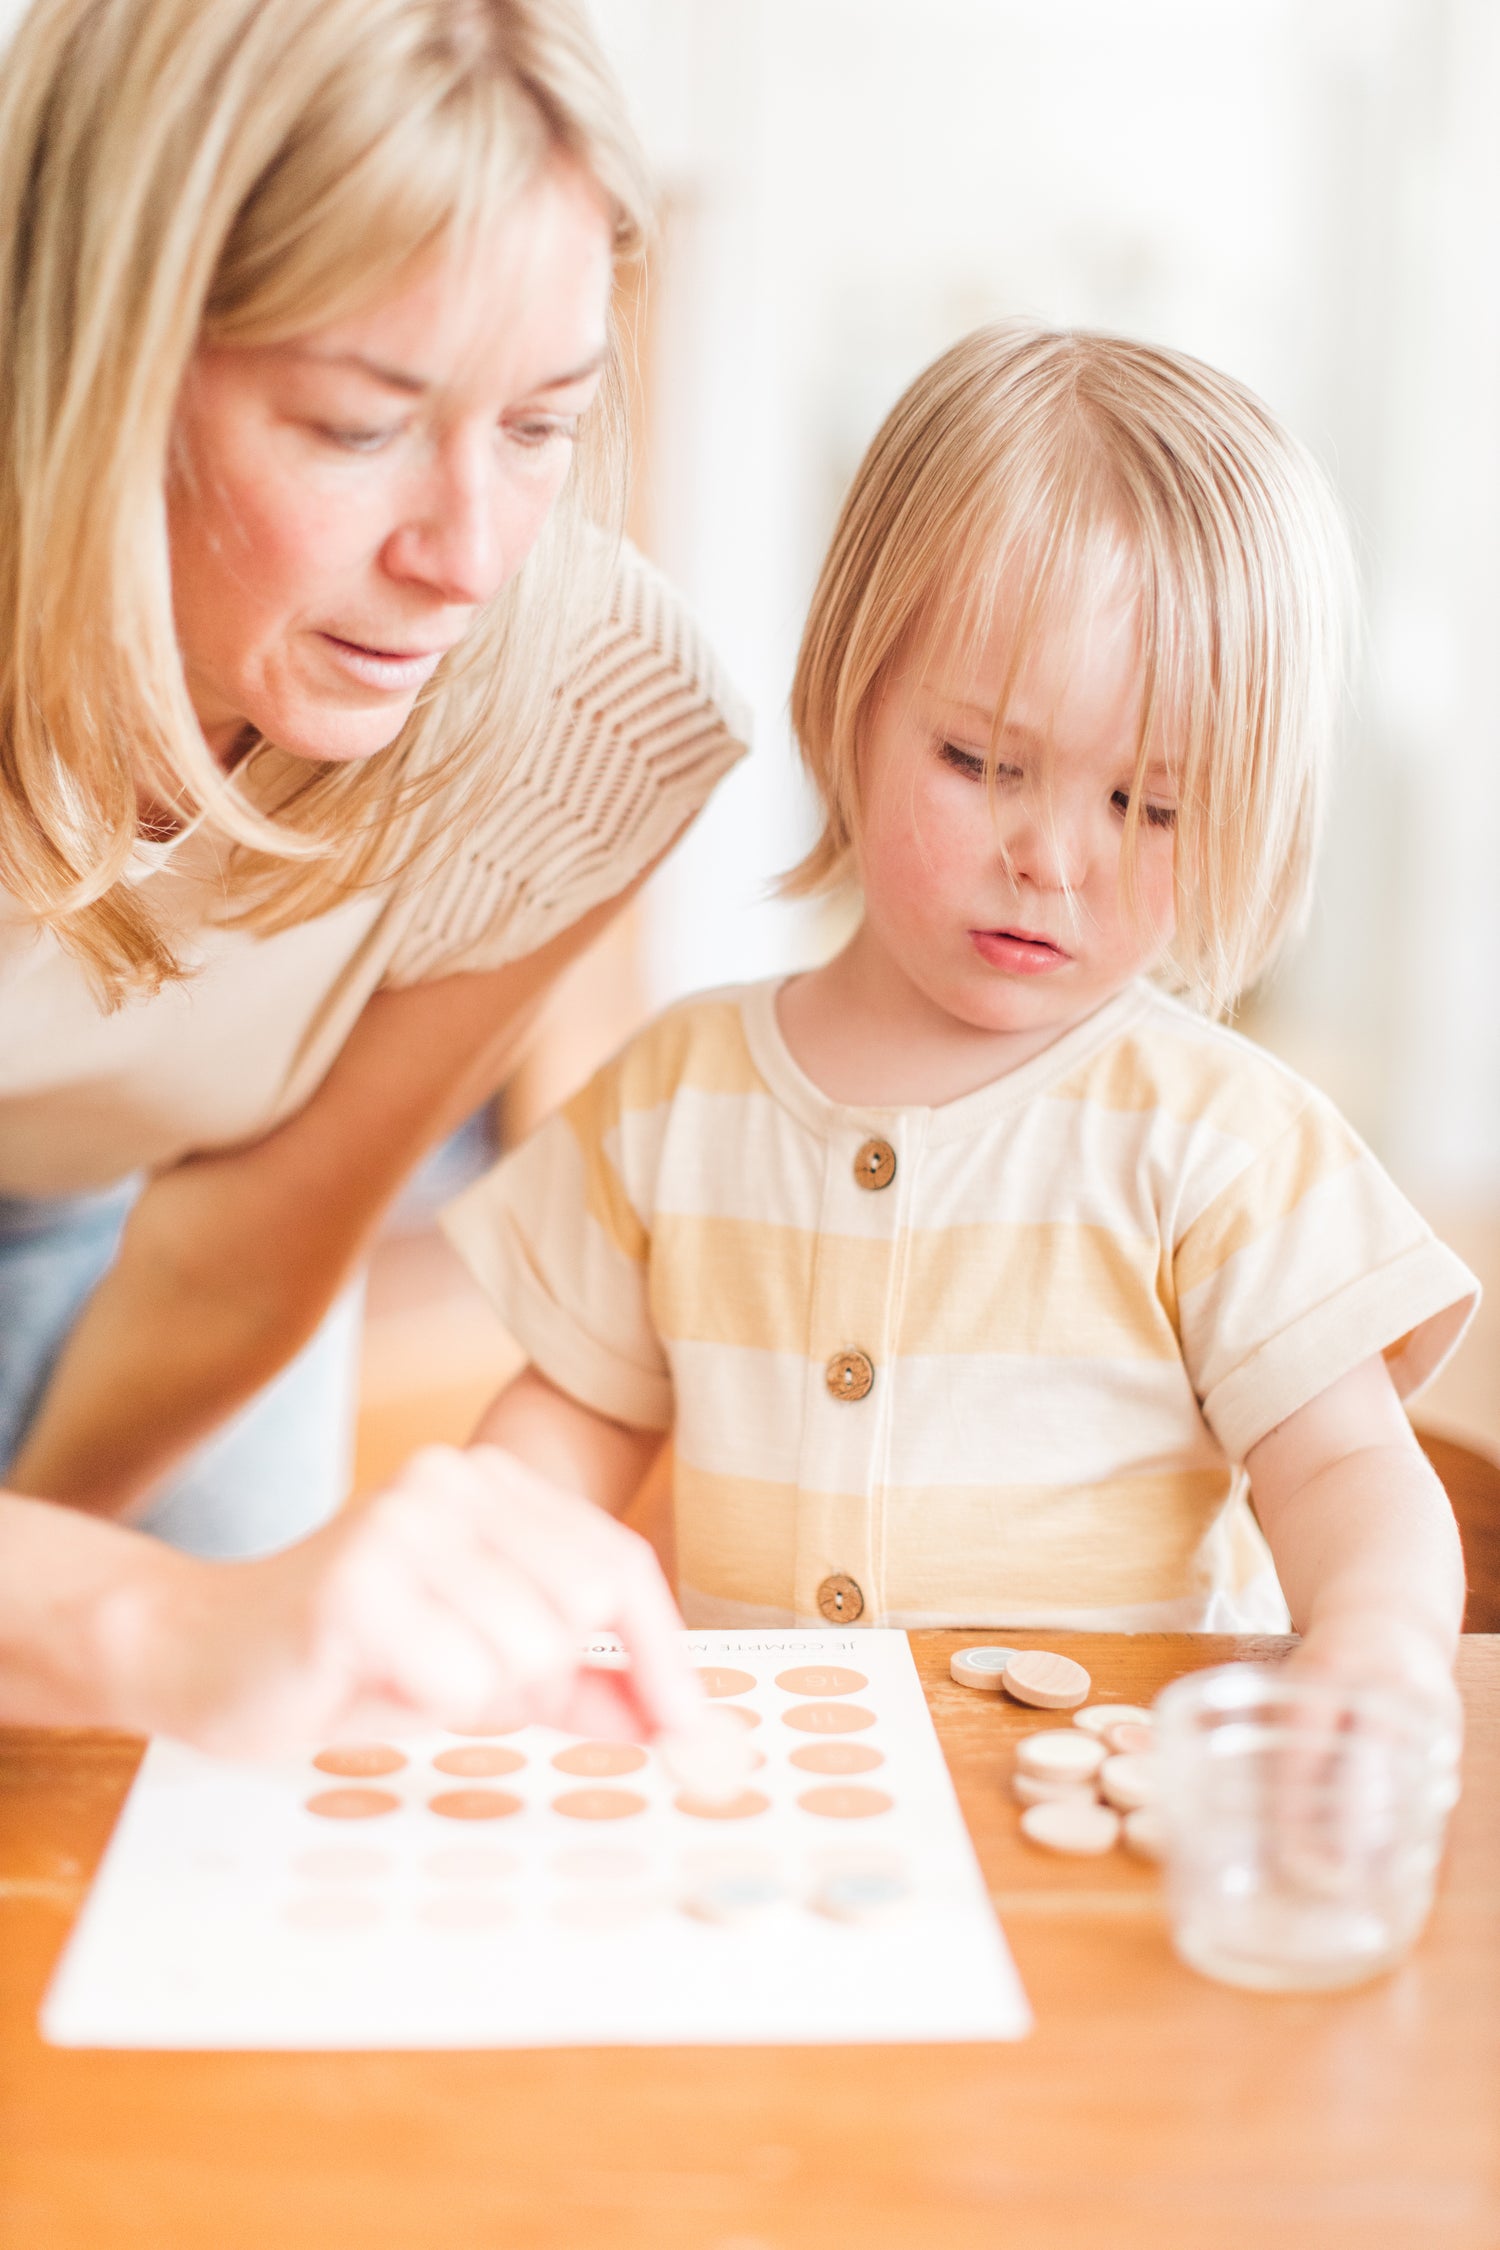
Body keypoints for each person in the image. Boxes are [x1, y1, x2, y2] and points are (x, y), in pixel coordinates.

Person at [443, 324, 1477, 1714]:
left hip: (1103, 1819)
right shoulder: (675, 1095)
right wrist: (482, 1583)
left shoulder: (1224, 1140)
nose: (1053, 856)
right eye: (984, 761)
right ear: (851, 697)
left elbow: (1350, 1470)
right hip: (786, 1805)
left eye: (1149, 804)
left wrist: (1374, 1649)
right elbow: (565, 1429)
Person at [0, 0, 748, 1748]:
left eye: (542, 423)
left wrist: (93, 1616)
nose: (467, 556)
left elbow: (239, 1261)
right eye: (355, 426)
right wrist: (119, 1625)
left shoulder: (594, 708)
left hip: (133, 1243)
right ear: (90, 352)